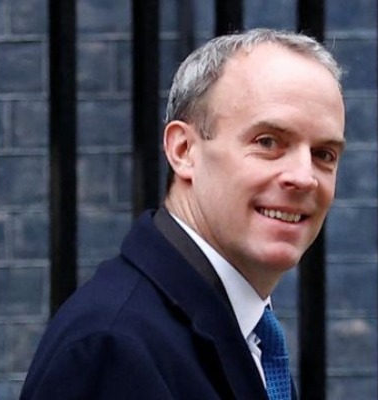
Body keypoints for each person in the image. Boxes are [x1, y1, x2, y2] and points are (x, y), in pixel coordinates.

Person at [20, 28, 345, 400]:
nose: (304, 177)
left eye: (324, 155)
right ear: (183, 150)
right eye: (268, 142)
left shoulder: (240, 330)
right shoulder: (113, 349)